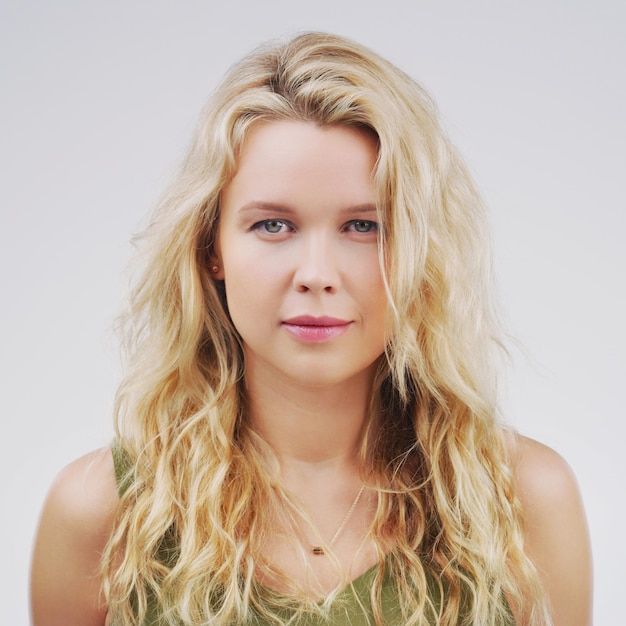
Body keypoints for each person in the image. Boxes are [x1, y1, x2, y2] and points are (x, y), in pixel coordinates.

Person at [30, 32, 592, 626]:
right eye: (273, 225)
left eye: (364, 227)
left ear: (420, 252)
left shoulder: (524, 500)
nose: (317, 275)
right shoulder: (103, 513)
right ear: (210, 249)